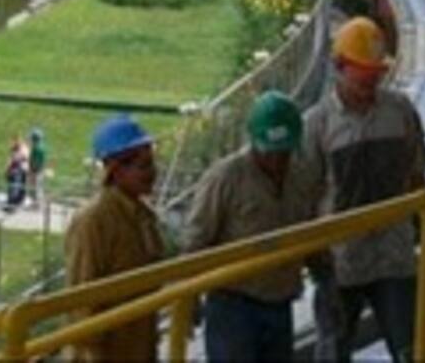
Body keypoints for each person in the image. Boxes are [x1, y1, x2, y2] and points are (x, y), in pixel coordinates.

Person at [303, 17, 425, 363]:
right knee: (333, 352)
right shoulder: (318, 124)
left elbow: (418, 176)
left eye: (376, 76)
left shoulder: (400, 111)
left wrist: (418, 230)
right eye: (363, 76)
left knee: (411, 350)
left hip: (395, 257)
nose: (371, 84)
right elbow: (305, 195)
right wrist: (318, 263)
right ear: (340, 68)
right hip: (340, 264)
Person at [182, 91, 317, 363]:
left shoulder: (301, 176)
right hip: (234, 304)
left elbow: (309, 228)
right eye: (271, 152)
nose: (278, 161)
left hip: (280, 301)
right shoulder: (226, 178)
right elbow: (196, 239)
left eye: (284, 152)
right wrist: (188, 299)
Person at [64, 114, 164, 362]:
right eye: (143, 166)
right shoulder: (93, 221)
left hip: (139, 345)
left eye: (152, 163)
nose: (152, 173)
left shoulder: (143, 216)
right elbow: (82, 298)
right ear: (115, 170)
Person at [4, 137, 28, 212]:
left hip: (15, 172)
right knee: (17, 189)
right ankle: (15, 203)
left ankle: (11, 206)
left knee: (13, 189)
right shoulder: (23, 150)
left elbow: (11, 163)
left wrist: (7, 170)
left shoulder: (17, 153)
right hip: (18, 172)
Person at [27, 128, 47, 206]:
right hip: (39, 170)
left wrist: (32, 171)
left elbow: (36, 161)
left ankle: (36, 204)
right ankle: (36, 203)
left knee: (36, 187)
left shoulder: (37, 148)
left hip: (36, 171)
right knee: (38, 187)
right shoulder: (41, 146)